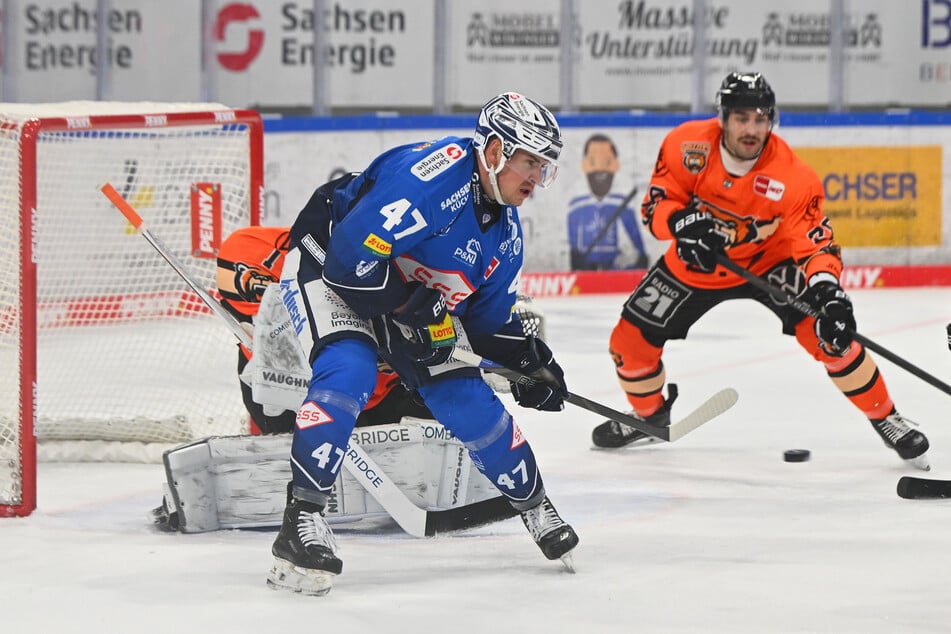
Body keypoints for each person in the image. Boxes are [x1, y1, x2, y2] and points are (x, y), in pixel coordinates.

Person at [267, 92, 579, 596]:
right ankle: (301, 520)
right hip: (330, 262)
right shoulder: (432, 180)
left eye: (544, 168)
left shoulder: (506, 233)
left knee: (466, 398)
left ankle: (534, 503)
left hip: (402, 290)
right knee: (350, 371)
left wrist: (528, 361)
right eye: (530, 163)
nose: (536, 180)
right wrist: (410, 305)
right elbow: (349, 262)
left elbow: (485, 323)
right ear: (495, 151)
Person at [591, 72, 931, 471]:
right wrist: (682, 224)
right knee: (629, 344)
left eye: (760, 118)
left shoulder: (793, 176)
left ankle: (885, 416)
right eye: (741, 118)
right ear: (723, 118)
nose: (751, 129)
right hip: (694, 264)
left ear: (772, 120)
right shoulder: (685, 145)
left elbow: (815, 244)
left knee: (831, 335)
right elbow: (657, 208)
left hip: (771, 263)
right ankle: (649, 417)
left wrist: (828, 293)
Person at [215, 225, 433, 434]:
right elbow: (236, 274)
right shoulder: (253, 250)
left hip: (387, 393)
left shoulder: (414, 267)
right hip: (288, 394)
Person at [567, 133, 648, 270]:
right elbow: (574, 250)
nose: (600, 169)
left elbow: (640, 253)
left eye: (607, 162)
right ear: (585, 165)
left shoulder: (623, 206)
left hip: (614, 269)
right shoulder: (577, 206)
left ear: (615, 165)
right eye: (593, 162)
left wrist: (631, 265)